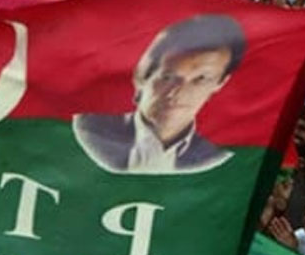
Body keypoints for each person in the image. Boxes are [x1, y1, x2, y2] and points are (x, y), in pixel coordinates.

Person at [72, 14, 247, 174]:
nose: (177, 92)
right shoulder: (88, 130)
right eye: (168, 77)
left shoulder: (217, 157)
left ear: (220, 83)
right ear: (142, 75)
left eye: (201, 79)